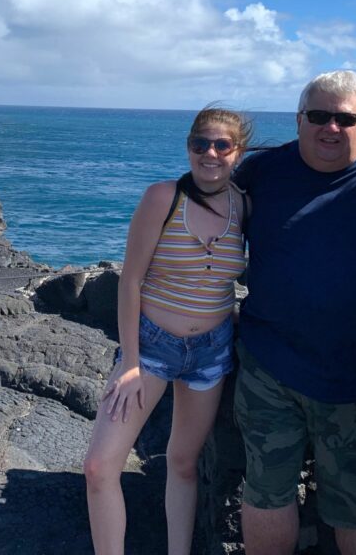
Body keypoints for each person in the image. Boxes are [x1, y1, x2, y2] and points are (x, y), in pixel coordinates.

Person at [233, 70, 356, 555]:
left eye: (345, 117)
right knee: (266, 493)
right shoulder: (261, 171)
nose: (330, 127)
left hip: (354, 378)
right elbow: (196, 211)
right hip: (266, 368)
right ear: (299, 120)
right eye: (319, 115)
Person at [83, 105, 252, 555]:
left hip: (212, 351)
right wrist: (131, 362)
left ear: (239, 152)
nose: (210, 154)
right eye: (201, 144)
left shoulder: (244, 205)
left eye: (222, 145)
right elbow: (131, 279)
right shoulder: (163, 197)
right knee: (100, 467)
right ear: (188, 147)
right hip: (152, 348)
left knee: (182, 462)